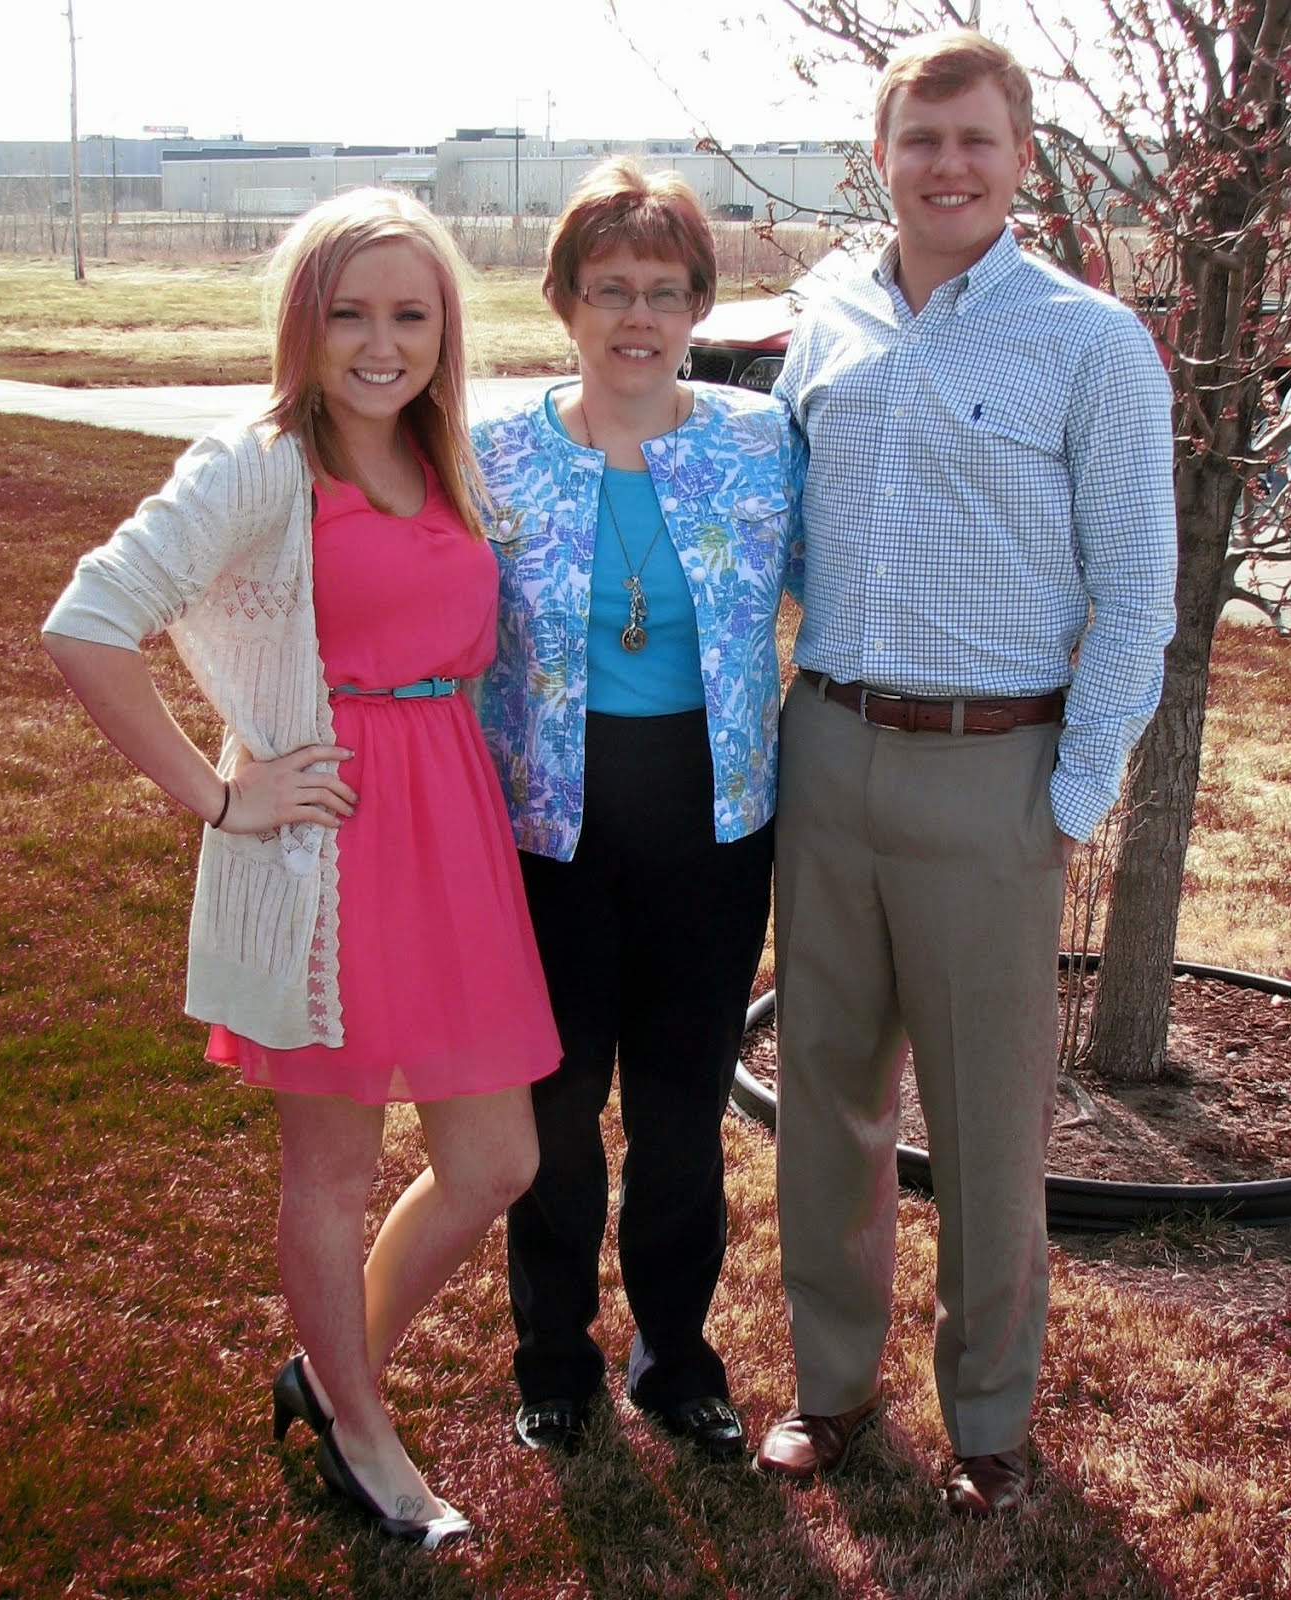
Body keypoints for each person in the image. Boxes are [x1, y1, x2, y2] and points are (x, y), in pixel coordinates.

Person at [42, 188, 561, 1549]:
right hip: (327, 847)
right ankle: (367, 1438)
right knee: (331, 1175)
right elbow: (88, 621)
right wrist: (223, 794)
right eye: (350, 313)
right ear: (304, 323)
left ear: (447, 329)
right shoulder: (259, 462)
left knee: (497, 1159)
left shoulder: (447, 461)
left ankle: (333, 1377)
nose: (381, 343)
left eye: (411, 313)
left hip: (453, 838)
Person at [753, 32, 1177, 1515]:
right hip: (831, 752)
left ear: (1019, 159)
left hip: (997, 772)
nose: (948, 165)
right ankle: (830, 1390)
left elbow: (1139, 595)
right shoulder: (829, 325)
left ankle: (991, 1419)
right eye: (922, 137)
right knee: (826, 1098)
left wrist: (1066, 802)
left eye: (976, 141)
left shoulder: (1089, 342)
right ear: (883, 152)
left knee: (990, 1129)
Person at [472, 159, 803, 1462]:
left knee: (678, 1109)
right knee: (551, 1111)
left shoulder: (757, 442)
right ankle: (552, 1355)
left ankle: (677, 1361)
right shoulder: (492, 455)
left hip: (712, 825)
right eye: (608, 288)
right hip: (548, 828)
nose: (636, 316)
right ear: (563, 299)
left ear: (698, 305)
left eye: (664, 291)